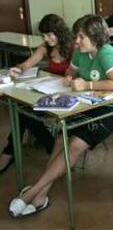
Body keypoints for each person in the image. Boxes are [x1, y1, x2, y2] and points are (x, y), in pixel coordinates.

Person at [8, 15, 113, 217]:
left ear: (95, 36)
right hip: (88, 103)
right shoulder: (81, 53)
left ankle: (32, 192)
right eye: (76, 37)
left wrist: (87, 85)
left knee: (74, 144)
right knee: (60, 139)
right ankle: (42, 194)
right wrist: (68, 77)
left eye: (81, 37)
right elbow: (70, 72)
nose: (76, 41)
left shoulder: (106, 53)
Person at [0, 14, 73, 175]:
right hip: (51, 91)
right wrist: (18, 69)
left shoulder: (73, 47)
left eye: (49, 35)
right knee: (23, 110)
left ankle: (10, 152)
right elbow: (28, 63)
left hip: (70, 95)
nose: (46, 39)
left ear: (59, 32)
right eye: (44, 36)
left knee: (24, 114)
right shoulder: (46, 47)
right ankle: (52, 146)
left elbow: (77, 74)